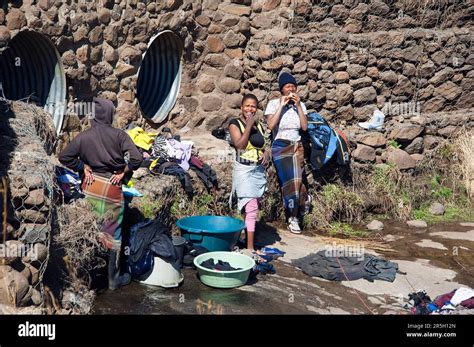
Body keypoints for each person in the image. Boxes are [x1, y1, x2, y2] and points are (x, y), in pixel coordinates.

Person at [59, 97, 143, 290]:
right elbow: (137, 158)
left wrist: (82, 166)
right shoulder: (119, 135)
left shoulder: (83, 137)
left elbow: (64, 156)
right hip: (112, 187)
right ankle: (114, 278)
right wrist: (124, 172)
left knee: (91, 227)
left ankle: (87, 276)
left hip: (90, 186)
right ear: (110, 114)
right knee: (113, 230)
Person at [265, 72, 309, 234]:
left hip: (297, 145)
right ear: (282, 90)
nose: (290, 89)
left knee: (298, 181)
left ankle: (295, 215)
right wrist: (282, 106)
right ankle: (292, 215)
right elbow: (270, 125)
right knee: (289, 182)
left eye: (293, 86)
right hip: (281, 146)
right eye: (287, 87)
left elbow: (304, 127)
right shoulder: (273, 104)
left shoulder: (301, 106)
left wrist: (298, 106)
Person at [228, 94, 271, 250]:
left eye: (253, 106)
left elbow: (264, 145)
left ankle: (245, 239)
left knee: (250, 209)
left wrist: (267, 153)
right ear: (241, 107)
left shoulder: (258, 125)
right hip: (244, 171)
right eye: (247, 106)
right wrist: (248, 126)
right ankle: (250, 249)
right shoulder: (235, 124)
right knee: (252, 208)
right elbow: (240, 145)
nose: (250, 109)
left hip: (257, 171)